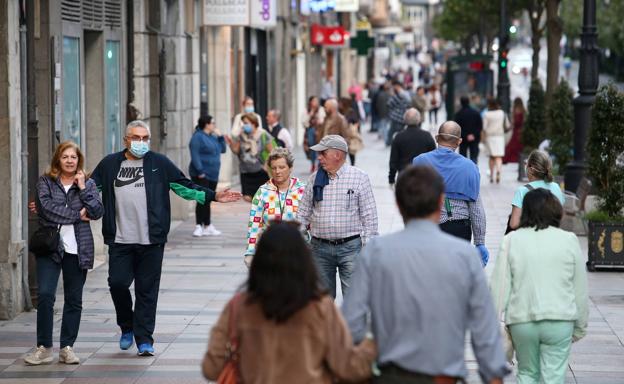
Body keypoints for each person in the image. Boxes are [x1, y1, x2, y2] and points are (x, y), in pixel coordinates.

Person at [343, 166, 509, 384]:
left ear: (398, 204)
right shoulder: (464, 255)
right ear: (441, 202)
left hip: (391, 374)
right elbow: (484, 327)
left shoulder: (376, 252)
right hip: (443, 376)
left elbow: (351, 321)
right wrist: (493, 374)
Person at [91, 120, 241, 357]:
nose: (140, 143)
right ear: (125, 140)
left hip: (152, 240)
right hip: (120, 239)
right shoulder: (110, 164)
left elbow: (183, 186)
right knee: (117, 283)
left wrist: (212, 196)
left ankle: (144, 339)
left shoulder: (158, 163)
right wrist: (59, 203)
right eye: (135, 138)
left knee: (146, 291)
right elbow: (90, 189)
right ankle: (126, 325)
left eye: (144, 138)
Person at [202, 222, 376, 383]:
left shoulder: (238, 306)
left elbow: (211, 369)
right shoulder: (320, 307)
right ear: (304, 261)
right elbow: (348, 367)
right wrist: (373, 341)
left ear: (260, 261)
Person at [490, 189, 588, 384]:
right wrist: (580, 327)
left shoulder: (511, 241)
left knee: (527, 373)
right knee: (553, 377)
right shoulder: (569, 241)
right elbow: (580, 289)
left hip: (522, 321)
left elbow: (499, 287)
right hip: (560, 320)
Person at [25, 142, 104, 366]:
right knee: (46, 295)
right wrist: (78, 215)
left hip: (79, 249)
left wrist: (83, 188)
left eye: (73, 157)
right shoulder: (45, 182)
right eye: (65, 156)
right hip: (50, 247)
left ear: (79, 160)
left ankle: (67, 348)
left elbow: (98, 211)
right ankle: (44, 347)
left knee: (74, 300)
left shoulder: (87, 183)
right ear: (57, 160)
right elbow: (46, 208)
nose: (69, 160)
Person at [297, 135, 378, 299]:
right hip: (319, 248)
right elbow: (303, 212)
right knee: (321, 301)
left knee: (354, 298)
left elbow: (369, 216)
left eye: (323, 153)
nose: (319, 157)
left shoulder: (359, 177)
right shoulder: (314, 179)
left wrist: (368, 247)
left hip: (351, 248)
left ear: (338, 155)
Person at [413, 121, 489, 266]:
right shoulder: (469, 168)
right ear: (459, 141)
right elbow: (476, 209)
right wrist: (480, 242)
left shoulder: (419, 162)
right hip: (458, 229)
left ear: (436, 138)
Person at [243, 148, 306, 267]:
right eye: (274, 168)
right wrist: (250, 252)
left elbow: (311, 223)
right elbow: (254, 224)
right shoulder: (262, 192)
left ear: (290, 168)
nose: (277, 171)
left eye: (282, 167)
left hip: (298, 252)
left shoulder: (303, 190)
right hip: (269, 252)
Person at [188, 115, 226, 237]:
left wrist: (220, 137)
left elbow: (223, 149)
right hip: (201, 174)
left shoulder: (213, 137)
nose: (214, 125)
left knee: (208, 199)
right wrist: (200, 171)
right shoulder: (197, 137)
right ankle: (199, 226)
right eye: (213, 123)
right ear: (207, 124)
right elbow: (194, 155)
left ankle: (208, 225)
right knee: (201, 199)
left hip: (213, 174)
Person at [508, 150, 565, 231]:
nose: (525, 165)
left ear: (531, 169)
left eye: (526, 163)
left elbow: (513, 224)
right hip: (552, 236)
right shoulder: (556, 187)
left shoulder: (522, 191)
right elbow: (561, 217)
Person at [225, 113, 273, 202]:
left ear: (253, 123)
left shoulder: (262, 134)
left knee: (262, 197)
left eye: (246, 123)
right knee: (247, 197)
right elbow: (237, 151)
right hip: (245, 172)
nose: (244, 125)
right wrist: (230, 144)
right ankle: (258, 211)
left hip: (260, 172)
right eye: (243, 123)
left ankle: (260, 213)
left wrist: (266, 166)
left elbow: (272, 151)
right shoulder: (241, 135)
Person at [388, 108, 436, 187]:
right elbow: (434, 157)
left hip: (404, 176)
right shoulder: (427, 136)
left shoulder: (399, 137)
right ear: (419, 119)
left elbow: (393, 160)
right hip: (423, 176)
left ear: (405, 120)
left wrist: (391, 179)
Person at [482, 98, 510, 183]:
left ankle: (491, 175)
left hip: (490, 137)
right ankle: (498, 170)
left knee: (491, 157)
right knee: (498, 157)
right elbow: (507, 125)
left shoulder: (487, 114)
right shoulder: (502, 113)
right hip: (500, 137)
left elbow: (484, 127)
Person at [455, 95, 483, 164]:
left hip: (463, 138)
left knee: (463, 157)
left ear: (461, 103)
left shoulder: (458, 114)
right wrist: (473, 135)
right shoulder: (476, 113)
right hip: (474, 138)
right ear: (469, 102)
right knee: (474, 156)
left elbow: (457, 127)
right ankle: (473, 170)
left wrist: (465, 135)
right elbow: (480, 126)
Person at [302, 96, 326, 173]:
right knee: (312, 148)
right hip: (310, 131)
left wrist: (319, 121)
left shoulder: (321, 109)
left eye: (316, 101)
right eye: (314, 101)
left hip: (320, 131)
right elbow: (304, 123)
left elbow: (323, 120)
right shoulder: (306, 110)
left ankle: (319, 164)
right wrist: (311, 114)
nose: (315, 102)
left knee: (320, 148)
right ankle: (313, 164)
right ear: (310, 102)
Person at [386, 80, 411, 146]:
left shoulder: (399, 94)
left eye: (394, 86)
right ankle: (398, 143)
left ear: (397, 86)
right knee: (398, 131)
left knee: (392, 131)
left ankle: (390, 143)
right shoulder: (405, 93)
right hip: (401, 117)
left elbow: (389, 103)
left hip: (397, 116)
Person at [503, 97, 525, 164]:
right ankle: (519, 158)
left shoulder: (515, 111)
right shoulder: (523, 110)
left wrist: (508, 128)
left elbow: (513, 123)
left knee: (512, 145)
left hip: (516, 130)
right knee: (518, 145)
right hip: (521, 130)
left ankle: (506, 158)